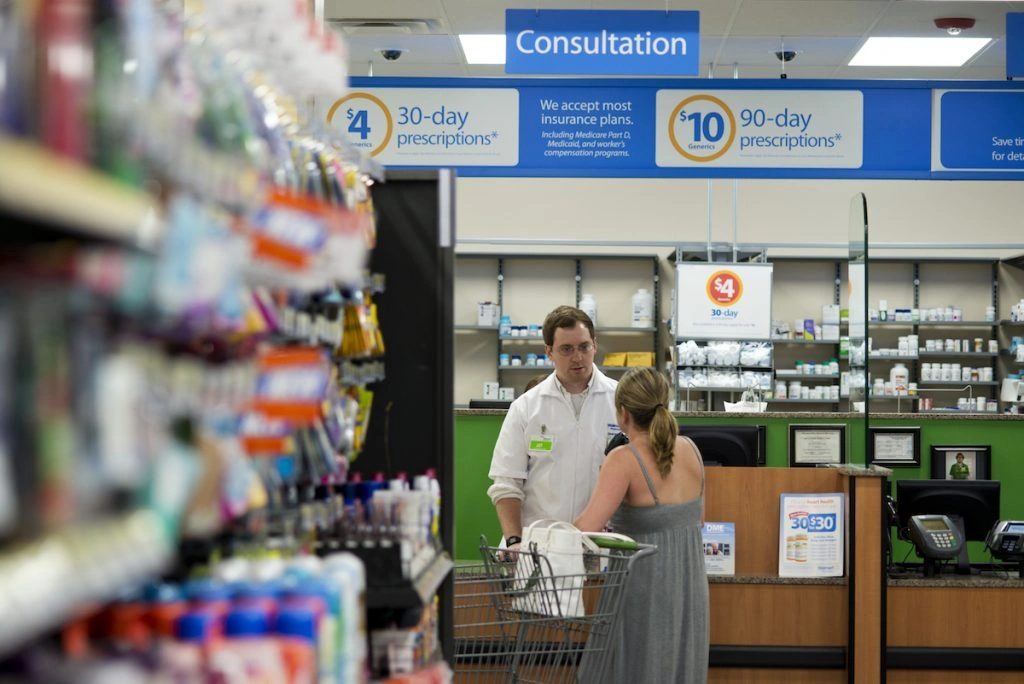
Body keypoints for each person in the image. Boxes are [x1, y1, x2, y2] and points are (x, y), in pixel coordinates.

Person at [574, 367, 709, 684]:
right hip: (688, 590)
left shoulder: (623, 458)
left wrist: (541, 537)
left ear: (623, 414)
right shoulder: (691, 450)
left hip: (642, 589)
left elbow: (586, 528)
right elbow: (698, 521)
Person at [487, 305, 619, 551]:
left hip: (600, 546)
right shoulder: (526, 407)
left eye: (584, 346)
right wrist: (514, 541)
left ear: (595, 345)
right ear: (549, 351)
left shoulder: (620, 401)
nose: (577, 357)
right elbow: (506, 484)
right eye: (566, 349)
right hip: (538, 547)